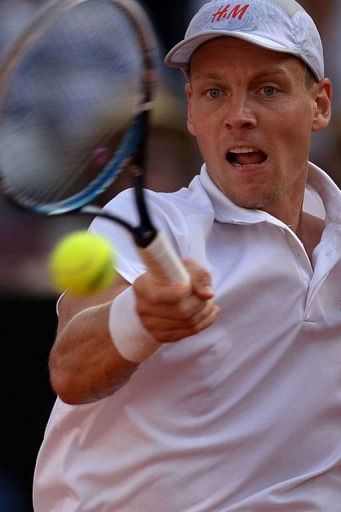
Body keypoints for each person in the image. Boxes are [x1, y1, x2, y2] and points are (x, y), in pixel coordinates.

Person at [33, 0, 341, 510]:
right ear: (193, 111)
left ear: (320, 104)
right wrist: (140, 317)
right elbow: (71, 369)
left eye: (267, 88)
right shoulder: (144, 222)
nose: (239, 117)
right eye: (215, 93)